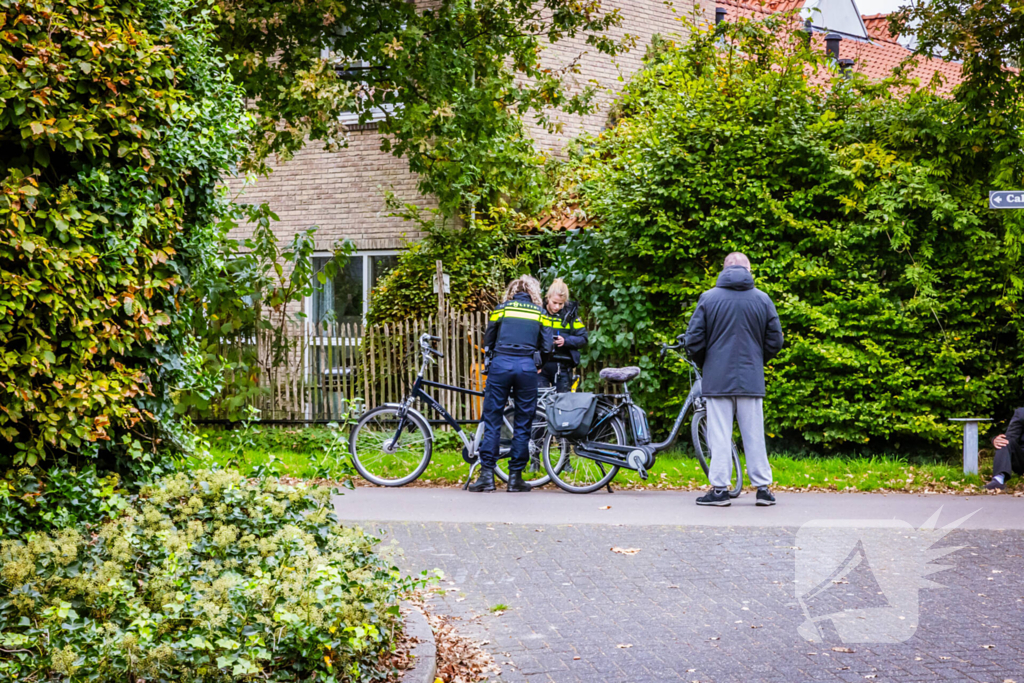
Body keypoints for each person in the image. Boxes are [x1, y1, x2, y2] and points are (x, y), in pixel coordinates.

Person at [684, 252, 784, 507]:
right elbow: (776, 340)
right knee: (754, 434)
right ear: (749, 270)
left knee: (719, 435)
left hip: (717, 378)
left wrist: (706, 361)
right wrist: (757, 358)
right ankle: (763, 489)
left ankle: (719, 491)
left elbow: (694, 339)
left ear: (725, 269)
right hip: (751, 377)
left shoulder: (709, 298)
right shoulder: (762, 299)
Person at [469, 275, 554, 493]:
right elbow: (547, 346)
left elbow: (489, 339)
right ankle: (515, 478)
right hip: (526, 368)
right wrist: (538, 365)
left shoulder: (501, 309)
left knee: (493, 419)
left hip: (501, 365)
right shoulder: (540, 313)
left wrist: (492, 360)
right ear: (532, 292)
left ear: (513, 291)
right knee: (523, 422)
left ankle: (487, 476)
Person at [540, 278, 588, 393]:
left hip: (562, 365)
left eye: (560, 304)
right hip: (540, 365)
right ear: (548, 298)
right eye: (554, 303)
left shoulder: (571, 317)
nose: (557, 307)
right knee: (539, 402)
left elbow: (583, 338)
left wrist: (565, 341)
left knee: (562, 402)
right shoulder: (539, 312)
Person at [986, 408, 1023, 490]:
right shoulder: (1021, 413)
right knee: (1004, 442)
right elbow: (1010, 437)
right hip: (1022, 460)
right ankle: (998, 480)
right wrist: (996, 440)